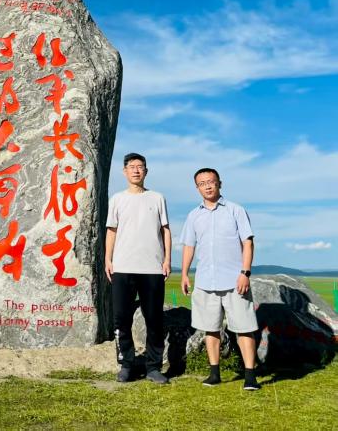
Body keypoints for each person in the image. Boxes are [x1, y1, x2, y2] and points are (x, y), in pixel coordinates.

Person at [180, 168, 260, 391]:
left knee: (244, 328)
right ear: (197, 188)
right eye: (202, 183)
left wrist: (245, 273)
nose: (207, 186)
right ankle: (214, 373)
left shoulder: (236, 210)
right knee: (210, 328)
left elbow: (248, 243)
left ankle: (250, 376)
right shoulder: (193, 215)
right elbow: (189, 246)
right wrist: (184, 273)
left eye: (211, 181)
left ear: (219, 183)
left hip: (235, 280)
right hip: (205, 280)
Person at [105, 152, 171, 384]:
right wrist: (108, 259)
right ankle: (126, 364)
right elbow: (111, 231)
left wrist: (167, 259)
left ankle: (153, 366)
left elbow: (165, 230)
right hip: (123, 266)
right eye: (131, 166)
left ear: (146, 171)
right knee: (121, 318)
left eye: (140, 166)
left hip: (152, 267)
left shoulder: (157, 198)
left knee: (154, 319)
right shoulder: (117, 199)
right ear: (125, 171)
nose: (136, 170)